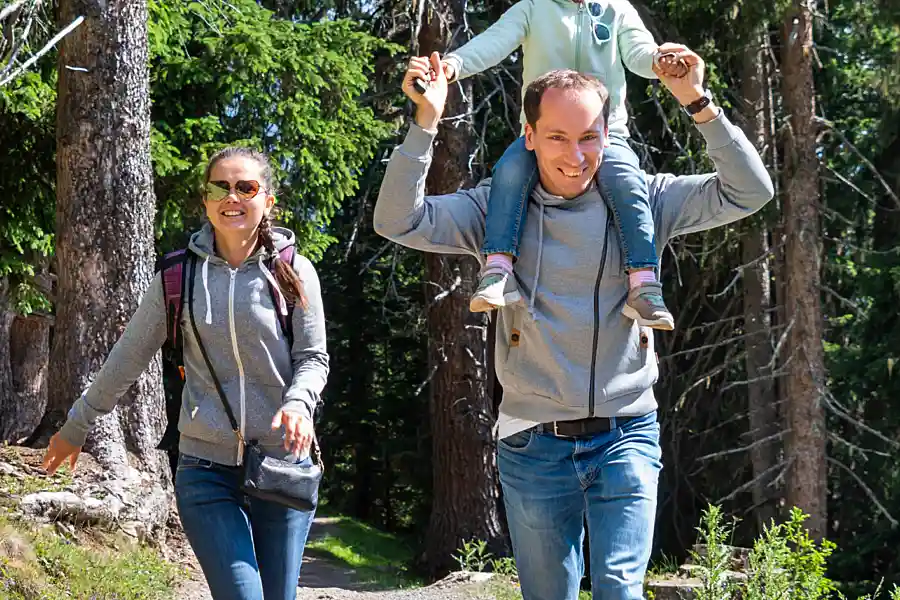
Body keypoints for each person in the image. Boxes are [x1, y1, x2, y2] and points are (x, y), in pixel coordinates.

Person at [375, 50, 773, 600]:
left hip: (626, 431)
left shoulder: (647, 202)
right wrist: (426, 121)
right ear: (529, 135)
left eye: (588, 137)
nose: (575, 155)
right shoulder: (496, 213)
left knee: (619, 589)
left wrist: (696, 102)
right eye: (558, 137)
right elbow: (398, 220)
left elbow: (750, 192)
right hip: (532, 443)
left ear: (607, 135)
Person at [41, 146, 330, 600]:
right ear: (206, 200)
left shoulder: (293, 273)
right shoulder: (178, 276)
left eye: (245, 187)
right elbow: (127, 357)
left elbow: (313, 358)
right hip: (204, 468)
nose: (231, 196)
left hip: (282, 465)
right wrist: (77, 425)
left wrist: (298, 404)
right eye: (220, 187)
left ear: (268, 200)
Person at [427, 0, 686, 329]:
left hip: (604, 136)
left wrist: (660, 60)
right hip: (543, 135)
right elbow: (494, 42)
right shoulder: (533, 8)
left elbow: (639, 52)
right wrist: (452, 66)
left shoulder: (617, 9)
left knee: (627, 181)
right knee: (510, 172)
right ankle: (498, 269)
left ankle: (644, 283)